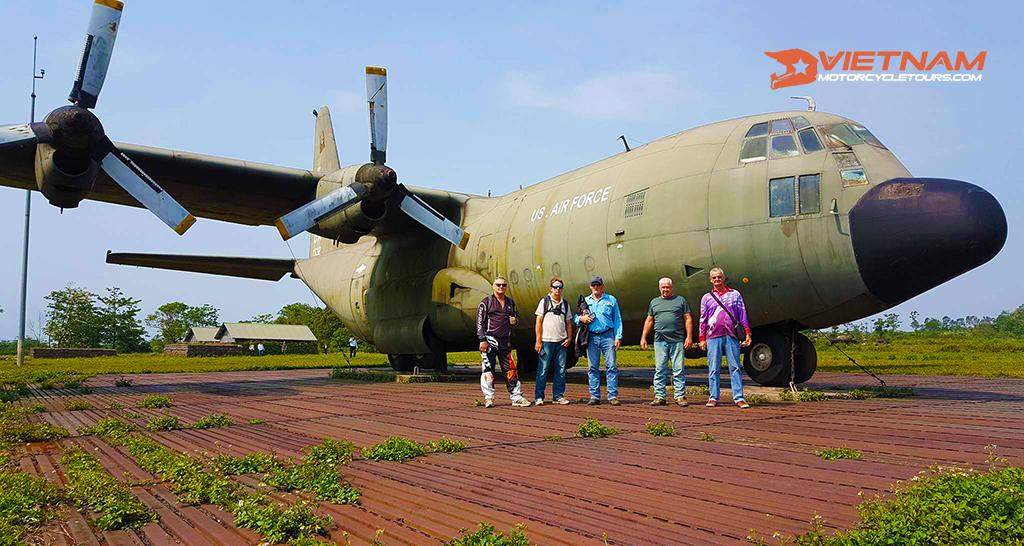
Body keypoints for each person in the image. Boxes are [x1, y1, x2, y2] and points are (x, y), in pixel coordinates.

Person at [698, 268, 752, 408]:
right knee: (713, 368)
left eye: (719, 277)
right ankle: (713, 397)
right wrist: (701, 337)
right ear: (710, 280)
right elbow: (703, 319)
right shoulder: (706, 297)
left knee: (735, 367)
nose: (717, 280)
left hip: (731, 335)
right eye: (714, 278)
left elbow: (742, 314)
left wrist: (747, 332)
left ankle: (739, 397)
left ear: (724, 278)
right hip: (712, 336)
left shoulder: (735, 294)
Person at [477, 276, 530, 408]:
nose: (501, 287)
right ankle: (489, 398)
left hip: (505, 341)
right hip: (489, 340)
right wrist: (482, 339)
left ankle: (516, 397)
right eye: (498, 285)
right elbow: (479, 323)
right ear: (493, 287)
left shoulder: (510, 303)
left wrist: (515, 321)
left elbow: (516, 319)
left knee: (511, 369)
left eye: (504, 285)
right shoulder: (486, 303)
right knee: (488, 369)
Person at [640, 277, 693, 407]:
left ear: (672, 288)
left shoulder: (680, 301)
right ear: (659, 288)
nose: (665, 290)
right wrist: (643, 337)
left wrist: (689, 337)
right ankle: (659, 396)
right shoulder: (654, 302)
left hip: (677, 340)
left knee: (678, 370)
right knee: (660, 369)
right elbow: (649, 320)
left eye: (667, 287)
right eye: (663, 287)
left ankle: (680, 396)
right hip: (660, 341)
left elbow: (688, 319)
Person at [574, 276, 623, 406]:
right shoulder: (585, 301)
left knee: (611, 367)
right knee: (592, 368)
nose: (596, 287)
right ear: (590, 286)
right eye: (593, 285)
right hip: (592, 337)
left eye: (598, 285)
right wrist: (581, 319)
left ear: (602, 286)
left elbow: (617, 318)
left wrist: (618, 336)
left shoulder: (611, 300)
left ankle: (612, 396)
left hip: (608, 335)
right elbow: (575, 318)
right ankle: (594, 396)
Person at [534, 277, 573, 405]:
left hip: (561, 341)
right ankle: (539, 397)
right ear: (551, 288)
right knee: (543, 370)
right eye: (555, 287)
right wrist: (538, 340)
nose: (557, 290)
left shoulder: (565, 304)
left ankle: (558, 396)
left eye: (560, 287)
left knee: (561, 370)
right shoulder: (544, 302)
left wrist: (569, 338)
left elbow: (568, 323)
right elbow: (538, 321)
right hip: (546, 341)